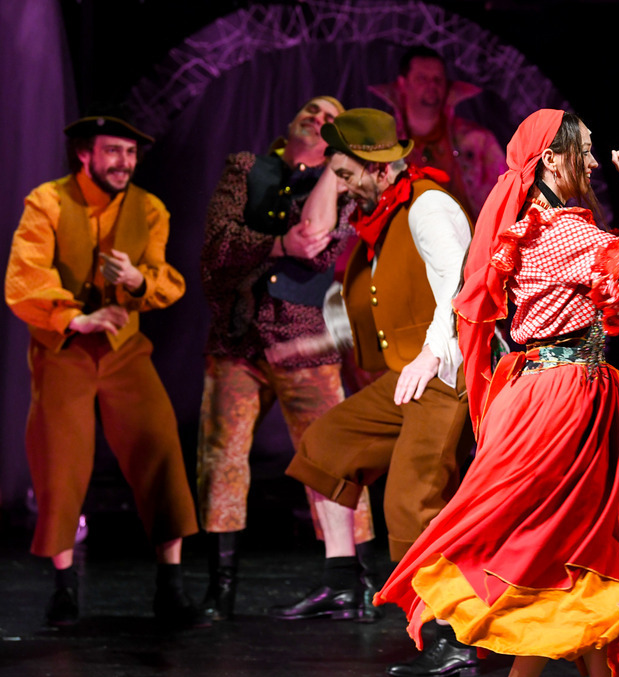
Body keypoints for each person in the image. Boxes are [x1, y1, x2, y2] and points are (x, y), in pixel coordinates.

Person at [374, 109, 619, 677]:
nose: (594, 162)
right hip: (561, 401)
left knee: (592, 552)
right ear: (552, 159)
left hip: (566, 392)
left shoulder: (539, 224)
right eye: (585, 151)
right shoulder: (563, 231)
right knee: (555, 550)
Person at [277, 108, 473, 635]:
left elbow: (459, 289)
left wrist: (433, 355)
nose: (341, 187)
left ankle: (449, 633)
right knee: (326, 446)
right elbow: (380, 300)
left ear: (381, 168)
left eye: (345, 175)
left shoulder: (428, 207)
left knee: (410, 501)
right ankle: (344, 582)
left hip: (447, 374)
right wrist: (323, 340)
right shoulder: (385, 214)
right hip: (407, 375)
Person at [6, 115, 204, 628]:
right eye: (113, 151)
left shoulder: (149, 208)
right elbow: (25, 279)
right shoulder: (47, 202)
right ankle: (64, 588)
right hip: (65, 348)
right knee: (60, 461)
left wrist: (138, 281)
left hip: (123, 348)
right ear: (85, 154)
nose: (124, 162)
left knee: (160, 447)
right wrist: (76, 318)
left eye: (130, 153)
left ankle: (171, 586)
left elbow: (163, 279)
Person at [197, 95, 377, 622]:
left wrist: (331, 171)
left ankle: (356, 582)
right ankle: (220, 589)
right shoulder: (246, 168)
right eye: (311, 110)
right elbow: (218, 247)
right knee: (221, 460)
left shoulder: (341, 183)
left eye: (330, 118)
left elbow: (321, 248)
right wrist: (276, 245)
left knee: (332, 458)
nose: (317, 118)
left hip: (305, 340)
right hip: (239, 338)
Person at [370, 46, 506, 220]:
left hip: (471, 233)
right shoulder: (382, 144)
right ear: (403, 83)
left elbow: (506, 195)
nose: (432, 85)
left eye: (438, 79)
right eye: (422, 78)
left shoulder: (478, 140)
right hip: (405, 233)